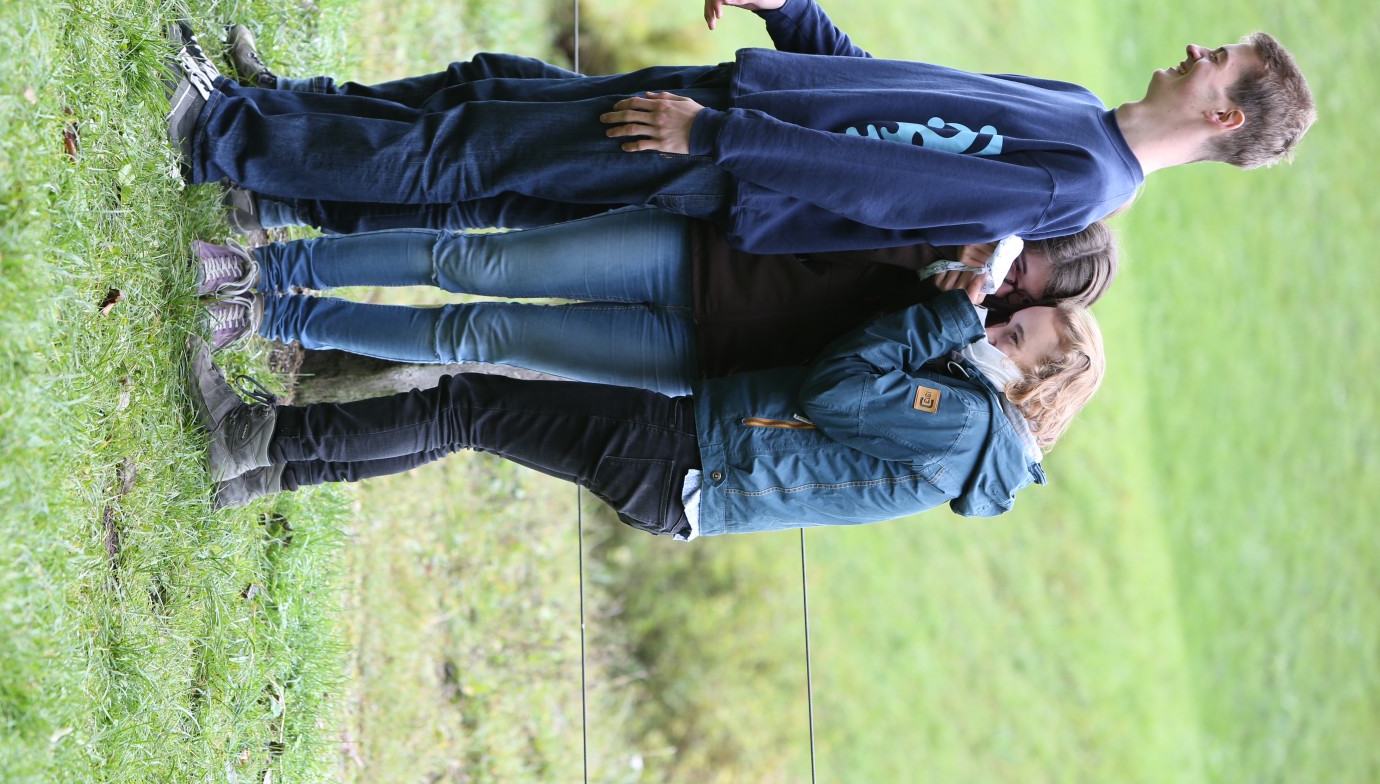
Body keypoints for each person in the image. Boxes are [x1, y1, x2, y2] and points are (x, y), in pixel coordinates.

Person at [167, 0, 1315, 254]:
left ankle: (218, 137)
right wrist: (794, 13)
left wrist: (712, 137)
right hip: (731, 113)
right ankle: (279, 143)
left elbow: (889, 188)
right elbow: (881, 98)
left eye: (1218, 62)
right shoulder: (1080, 114)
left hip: (718, 153)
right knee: (492, 95)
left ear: (1225, 120)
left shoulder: (1080, 180)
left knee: (477, 151)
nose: (1196, 50)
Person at [187, 290, 1106, 525]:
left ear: (1037, 383)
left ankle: (250, 439)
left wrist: (941, 316)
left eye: (1016, 335)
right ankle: (264, 471)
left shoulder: (963, 424)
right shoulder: (973, 439)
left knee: (465, 407)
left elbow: (835, 390)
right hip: (689, 475)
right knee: (471, 418)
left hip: (689, 454)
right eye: (1009, 317)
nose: (997, 326)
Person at [190, 209, 1117, 394]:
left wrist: (948, 319)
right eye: (1018, 270)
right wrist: (937, 258)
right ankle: (264, 266)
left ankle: (276, 317)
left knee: (476, 333)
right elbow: (842, 211)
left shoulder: (962, 365)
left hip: (700, 361)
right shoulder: (955, 225)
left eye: (1019, 305)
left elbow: (848, 387)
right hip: (696, 257)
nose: (1003, 289)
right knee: (477, 260)